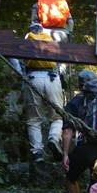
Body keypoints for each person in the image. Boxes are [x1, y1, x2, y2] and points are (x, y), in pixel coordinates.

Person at [20, 25, 65, 164]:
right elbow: (60, 64)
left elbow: (17, 60)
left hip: (33, 78)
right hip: (52, 78)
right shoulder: (49, 39)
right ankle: (53, 138)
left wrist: (21, 74)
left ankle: (38, 152)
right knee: (57, 116)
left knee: (34, 119)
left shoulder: (27, 41)